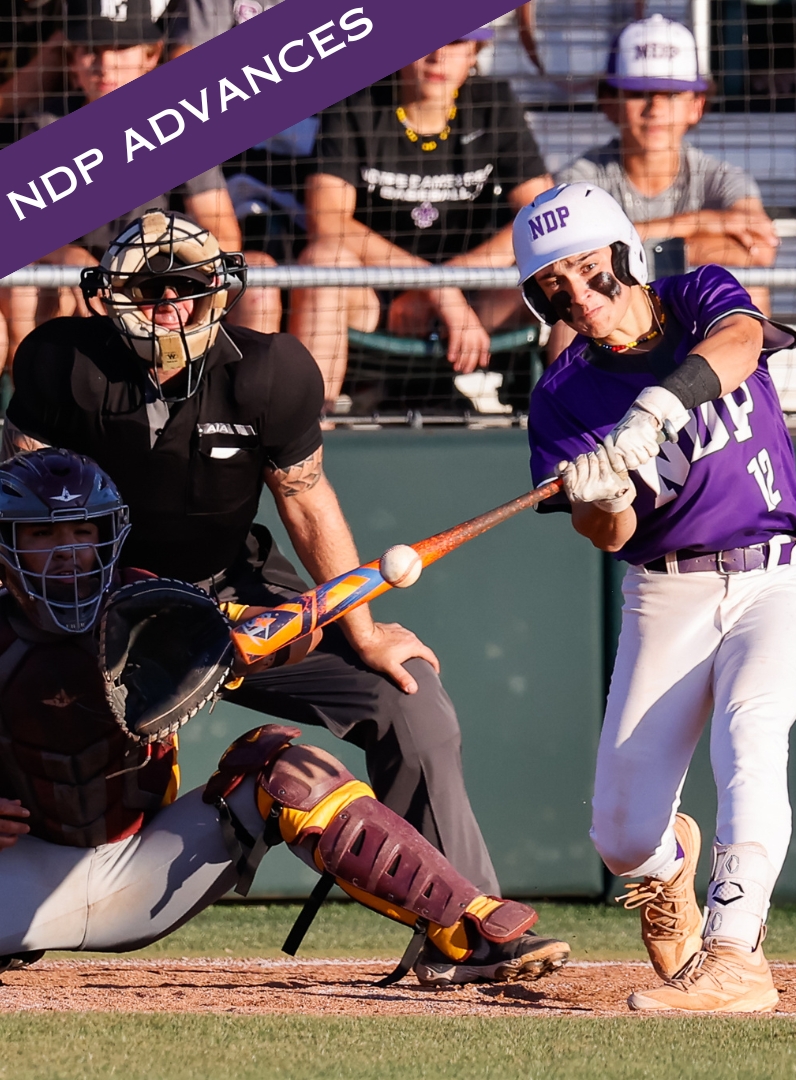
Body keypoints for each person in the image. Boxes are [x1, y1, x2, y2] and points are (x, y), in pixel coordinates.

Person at [3, 208, 505, 908]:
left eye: (185, 286)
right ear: (108, 294)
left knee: (406, 699)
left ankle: (469, 917)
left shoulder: (272, 369)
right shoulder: (62, 362)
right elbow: (18, 507)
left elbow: (304, 499)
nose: (169, 305)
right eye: (149, 290)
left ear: (220, 288)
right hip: (92, 610)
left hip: (234, 597)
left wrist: (364, 632)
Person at [0, 448, 570, 985]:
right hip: (17, 878)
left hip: (140, 871)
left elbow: (301, 637)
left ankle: (470, 932)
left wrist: (239, 640)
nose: (67, 550)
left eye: (82, 531)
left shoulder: (151, 606)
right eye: (43, 533)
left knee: (284, 769)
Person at [514, 182, 796, 1012]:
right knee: (621, 836)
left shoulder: (694, 299)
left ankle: (734, 956)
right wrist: (599, 493)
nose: (580, 298)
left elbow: (740, 343)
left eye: (591, 272)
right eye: (556, 287)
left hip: (774, 575)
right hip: (668, 594)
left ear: (628, 256)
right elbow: (609, 538)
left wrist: (656, 407)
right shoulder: (560, 397)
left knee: (749, 742)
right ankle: (671, 872)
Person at [289, 28, 553, 409]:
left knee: (559, 270)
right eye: (426, 39)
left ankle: (575, 431)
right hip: (374, 294)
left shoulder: (494, 103)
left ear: (476, 52)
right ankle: (308, 438)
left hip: (474, 294)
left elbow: (541, 216)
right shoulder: (356, 100)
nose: (438, 55)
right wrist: (436, 287)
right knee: (321, 262)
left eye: (457, 41)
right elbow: (326, 221)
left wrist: (447, 284)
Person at [2, 0, 278, 364]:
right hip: (76, 281)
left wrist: (164, 269)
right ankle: (36, 406)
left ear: (151, 56)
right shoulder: (45, 126)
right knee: (25, 288)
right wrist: (66, 255)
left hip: (155, 274)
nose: (105, 65)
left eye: (119, 48)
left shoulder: (179, 124)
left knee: (255, 273)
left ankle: (229, 403)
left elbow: (222, 230)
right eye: (90, 50)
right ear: (71, 62)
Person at [551, 14, 779, 361]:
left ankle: (740, 400)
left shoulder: (721, 176)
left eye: (671, 93)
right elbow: (570, 265)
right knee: (577, 300)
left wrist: (624, 255)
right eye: (638, 93)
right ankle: (568, 409)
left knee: (750, 282)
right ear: (609, 103)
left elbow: (759, 248)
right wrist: (707, 226)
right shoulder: (581, 178)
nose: (654, 108)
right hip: (611, 333)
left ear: (696, 106)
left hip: (694, 326)